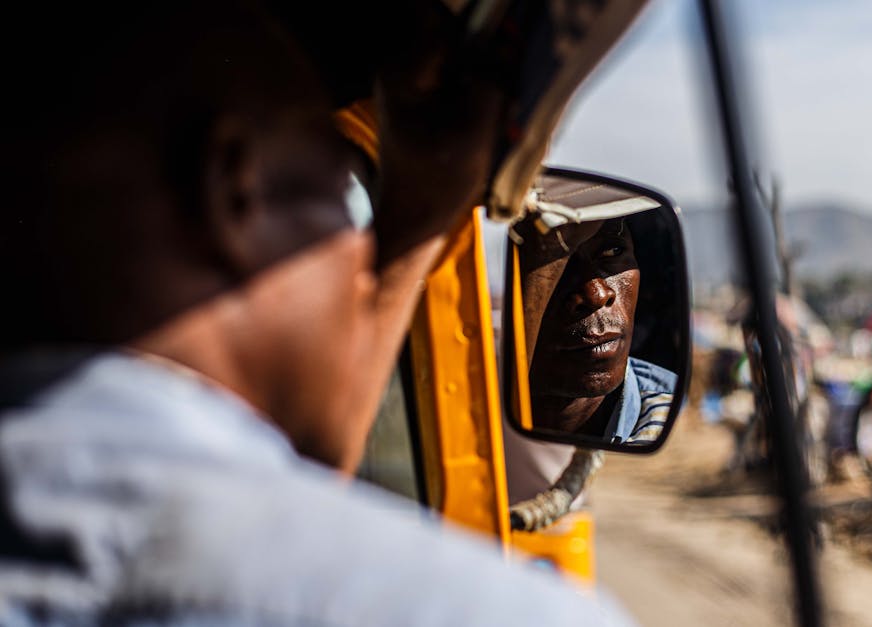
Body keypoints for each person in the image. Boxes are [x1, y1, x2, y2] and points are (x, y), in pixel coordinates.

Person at [0, 3, 633, 625]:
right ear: (234, 188)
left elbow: (305, 453)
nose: (362, 263)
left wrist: (418, 213)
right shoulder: (484, 610)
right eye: (341, 199)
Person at [519, 217, 676, 444]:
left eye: (613, 251)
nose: (597, 295)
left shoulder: (674, 420)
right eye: (552, 262)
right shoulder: (465, 411)